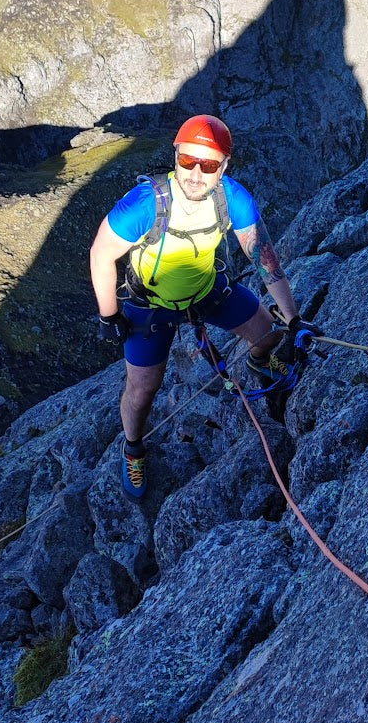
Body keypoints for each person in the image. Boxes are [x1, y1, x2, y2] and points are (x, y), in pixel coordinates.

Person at [89, 114, 301, 499]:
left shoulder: (232, 199)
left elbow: (266, 261)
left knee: (269, 333)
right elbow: (101, 253)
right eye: (188, 161)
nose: (196, 174)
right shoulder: (145, 204)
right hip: (150, 304)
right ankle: (133, 447)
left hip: (206, 289)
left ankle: (258, 361)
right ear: (175, 156)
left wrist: (294, 319)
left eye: (208, 165)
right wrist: (109, 315)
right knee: (143, 389)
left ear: (224, 167)